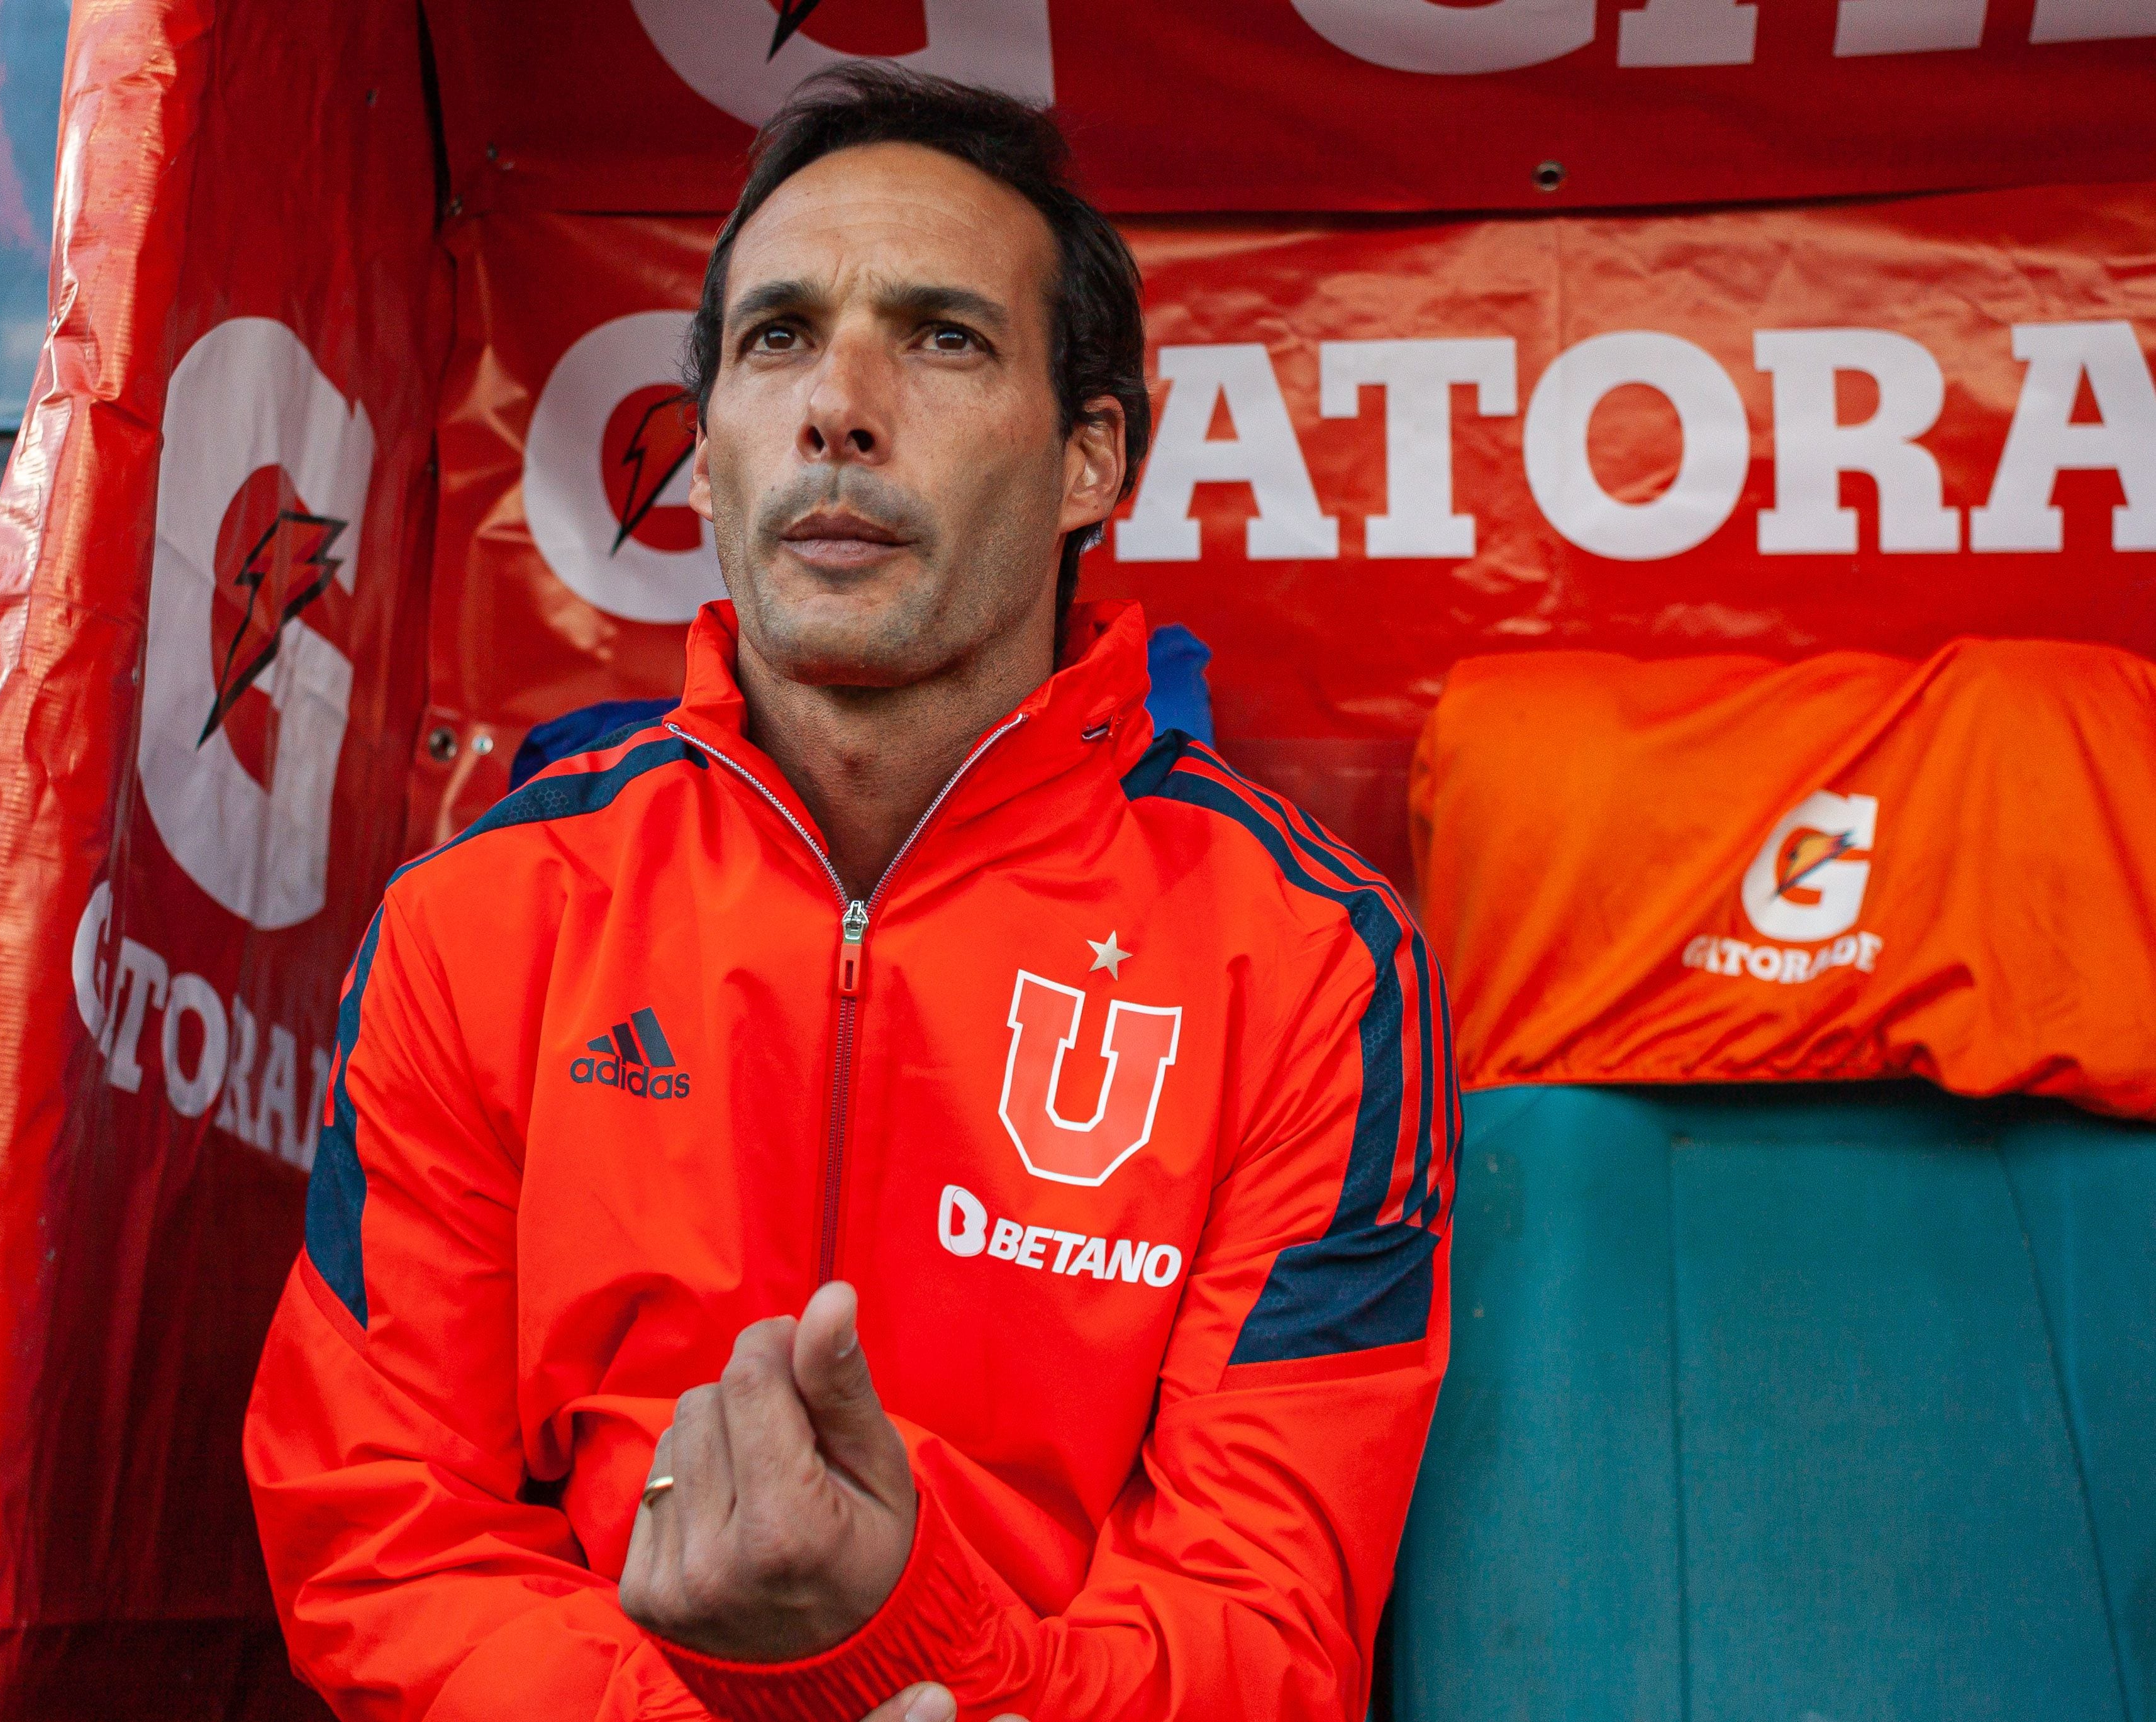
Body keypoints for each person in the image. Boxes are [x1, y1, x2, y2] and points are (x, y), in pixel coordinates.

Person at [244, 66, 1459, 1721]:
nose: (838, 405)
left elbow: (1270, 1624)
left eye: (944, 337)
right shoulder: (486, 918)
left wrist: (907, 1635)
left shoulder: (1311, 961)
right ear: (713, 451)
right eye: (778, 339)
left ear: (1093, 459)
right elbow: (378, 1526)